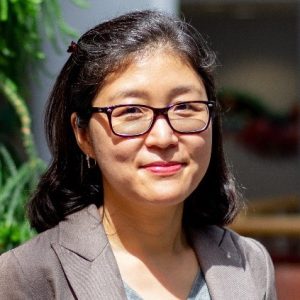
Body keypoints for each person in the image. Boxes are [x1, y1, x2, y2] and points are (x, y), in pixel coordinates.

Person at [0, 10, 277, 300]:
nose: (163, 137)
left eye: (185, 107)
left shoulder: (250, 263)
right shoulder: (28, 274)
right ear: (83, 136)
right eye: (131, 111)